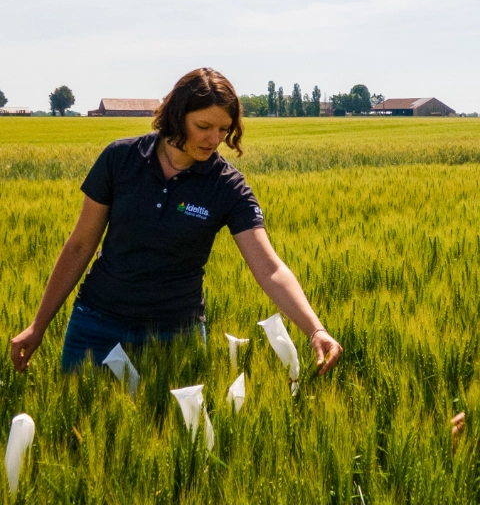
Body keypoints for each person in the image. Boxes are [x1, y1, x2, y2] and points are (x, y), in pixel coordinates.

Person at [10, 68, 342, 375]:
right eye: (204, 126)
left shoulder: (227, 187)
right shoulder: (121, 159)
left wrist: (315, 328)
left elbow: (269, 268)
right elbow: (81, 244)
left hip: (175, 337)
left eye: (224, 130)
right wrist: (38, 325)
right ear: (176, 115)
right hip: (97, 325)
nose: (215, 140)